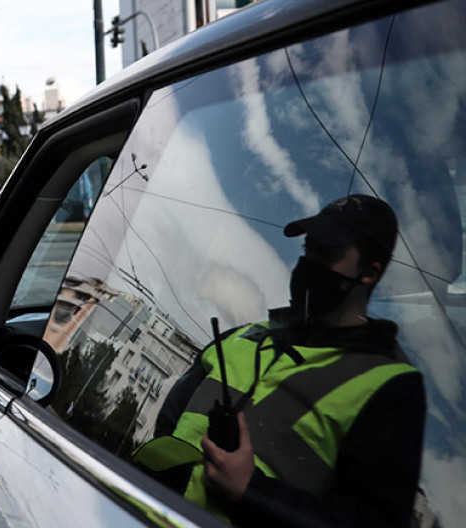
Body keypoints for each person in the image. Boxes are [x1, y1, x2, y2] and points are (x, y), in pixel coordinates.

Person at [133, 195, 426, 527]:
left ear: (369, 273)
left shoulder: (391, 386)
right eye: (308, 250)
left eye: (327, 254)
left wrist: (250, 491)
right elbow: (168, 424)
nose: (309, 264)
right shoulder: (243, 336)